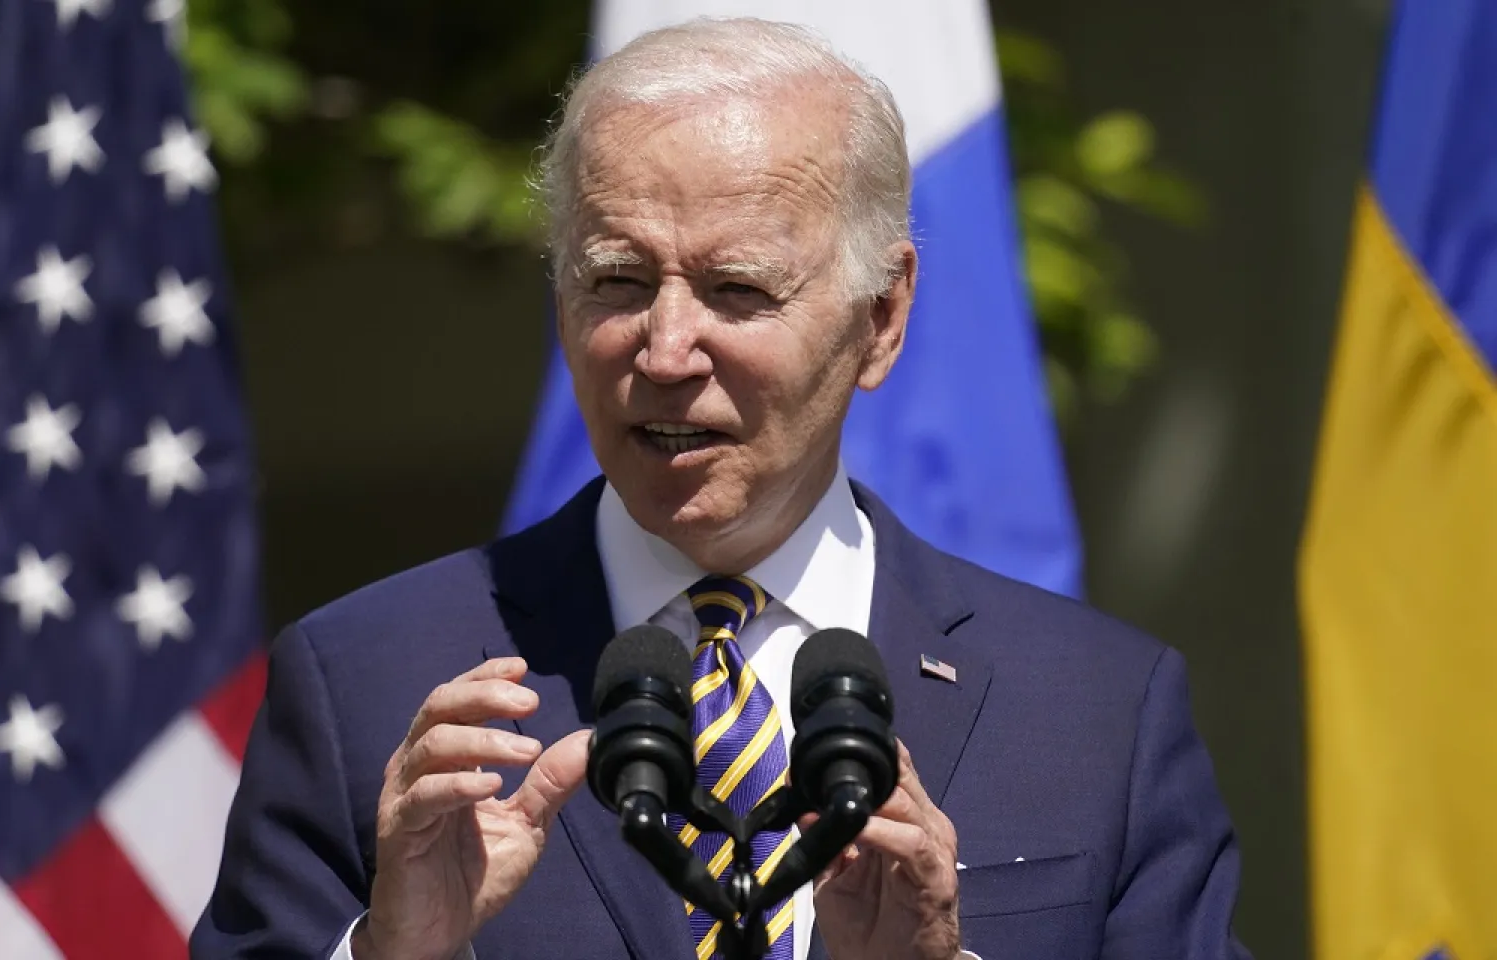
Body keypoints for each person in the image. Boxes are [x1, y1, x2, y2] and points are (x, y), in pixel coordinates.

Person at [192, 17, 1251, 960]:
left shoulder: (1099, 714)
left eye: (736, 289)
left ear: (881, 319)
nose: (664, 350)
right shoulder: (369, 689)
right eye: (618, 280)